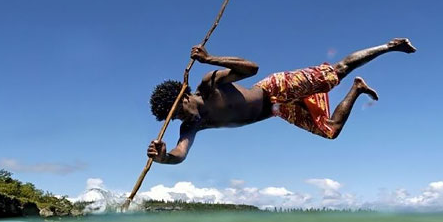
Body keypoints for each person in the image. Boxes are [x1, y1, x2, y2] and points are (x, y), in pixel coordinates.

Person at [146, 38, 417, 164]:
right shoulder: (192, 125)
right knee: (330, 132)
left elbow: (251, 69)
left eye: (179, 113)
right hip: (278, 109)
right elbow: (180, 154)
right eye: (176, 120)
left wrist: (210, 59)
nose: (182, 120)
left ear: (183, 97)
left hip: (277, 88)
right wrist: (163, 158)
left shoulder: (209, 85)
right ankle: (357, 89)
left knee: (338, 71)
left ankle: (389, 46)